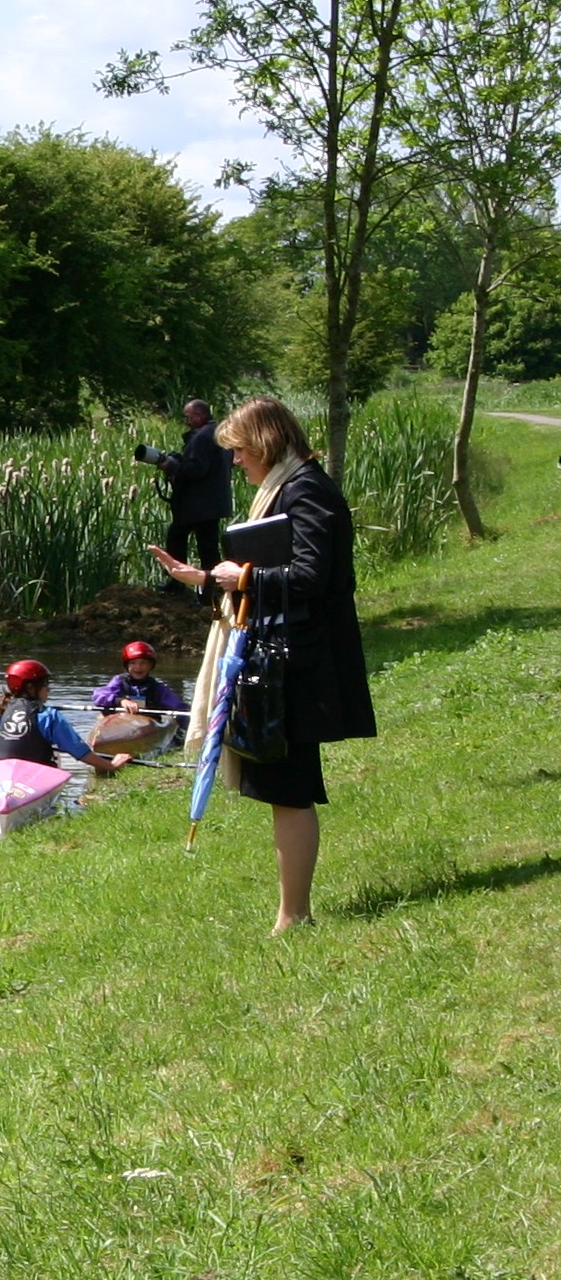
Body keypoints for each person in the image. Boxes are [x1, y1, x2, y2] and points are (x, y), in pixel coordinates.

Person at [148, 396, 374, 932]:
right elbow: (275, 571)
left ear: (267, 444)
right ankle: (291, 912)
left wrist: (241, 579)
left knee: (289, 788)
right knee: (281, 787)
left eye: (241, 451)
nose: (236, 463)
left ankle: (293, 917)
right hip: (285, 655)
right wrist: (206, 579)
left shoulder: (307, 491)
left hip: (300, 662)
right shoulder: (291, 488)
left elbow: (312, 579)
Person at [137, 400, 232, 599]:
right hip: (211, 503)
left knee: (178, 538)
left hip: (198, 504)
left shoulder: (202, 438)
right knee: (208, 547)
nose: (186, 421)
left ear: (199, 415)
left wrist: (171, 466)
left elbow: (197, 469)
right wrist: (179, 460)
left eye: (188, 417)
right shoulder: (217, 434)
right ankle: (211, 592)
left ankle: (179, 583)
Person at [0, 660, 126, 777]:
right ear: (31, 688)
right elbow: (80, 751)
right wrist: (111, 766)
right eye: (45, 684)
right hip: (34, 778)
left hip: (0, 777)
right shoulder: (49, 716)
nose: (49, 689)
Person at [93, 640, 188, 716]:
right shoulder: (119, 681)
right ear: (127, 666)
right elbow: (98, 695)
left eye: (143, 663)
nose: (138, 667)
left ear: (150, 665)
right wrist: (121, 701)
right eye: (133, 663)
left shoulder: (157, 688)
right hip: (118, 721)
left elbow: (179, 707)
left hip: (148, 726)